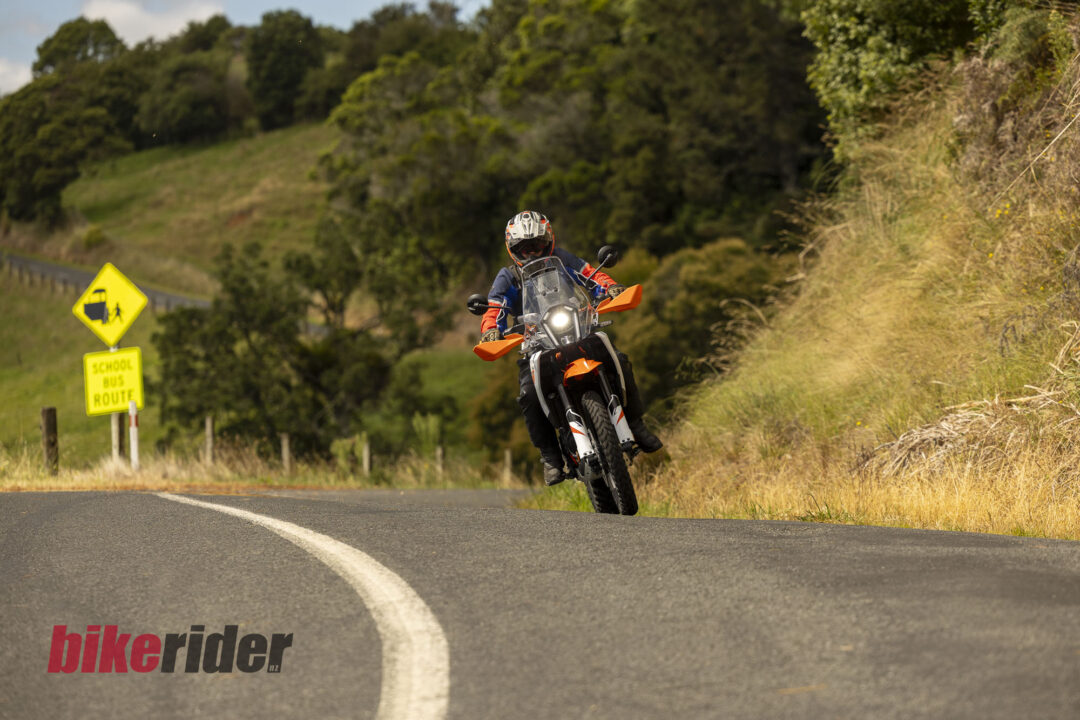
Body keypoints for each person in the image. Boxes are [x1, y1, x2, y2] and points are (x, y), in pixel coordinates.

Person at [479, 210, 663, 486]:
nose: (532, 252)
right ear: (512, 249)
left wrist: (611, 288)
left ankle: (636, 424)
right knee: (528, 394)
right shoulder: (508, 277)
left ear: (549, 241)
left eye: (537, 245)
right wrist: (491, 330)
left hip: (579, 328)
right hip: (536, 343)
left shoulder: (564, 259)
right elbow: (495, 307)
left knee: (620, 359)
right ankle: (550, 457)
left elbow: (591, 276)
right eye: (524, 248)